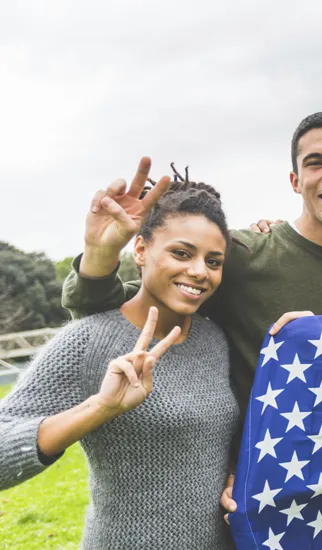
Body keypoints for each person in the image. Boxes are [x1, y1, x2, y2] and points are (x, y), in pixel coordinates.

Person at [60, 112, 322, 515]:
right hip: (253, 497)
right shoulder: (242, 254)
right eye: (315, 163)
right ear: (295, 181)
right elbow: (114, 311)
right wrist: (100, 254)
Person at [0, 171, 239, 549]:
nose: (198, 271)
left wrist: (232, 476)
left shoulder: (215, 340)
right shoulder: (89, 339)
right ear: (141, 251)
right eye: (181, 253)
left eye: (213, 261)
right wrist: (98, 408)